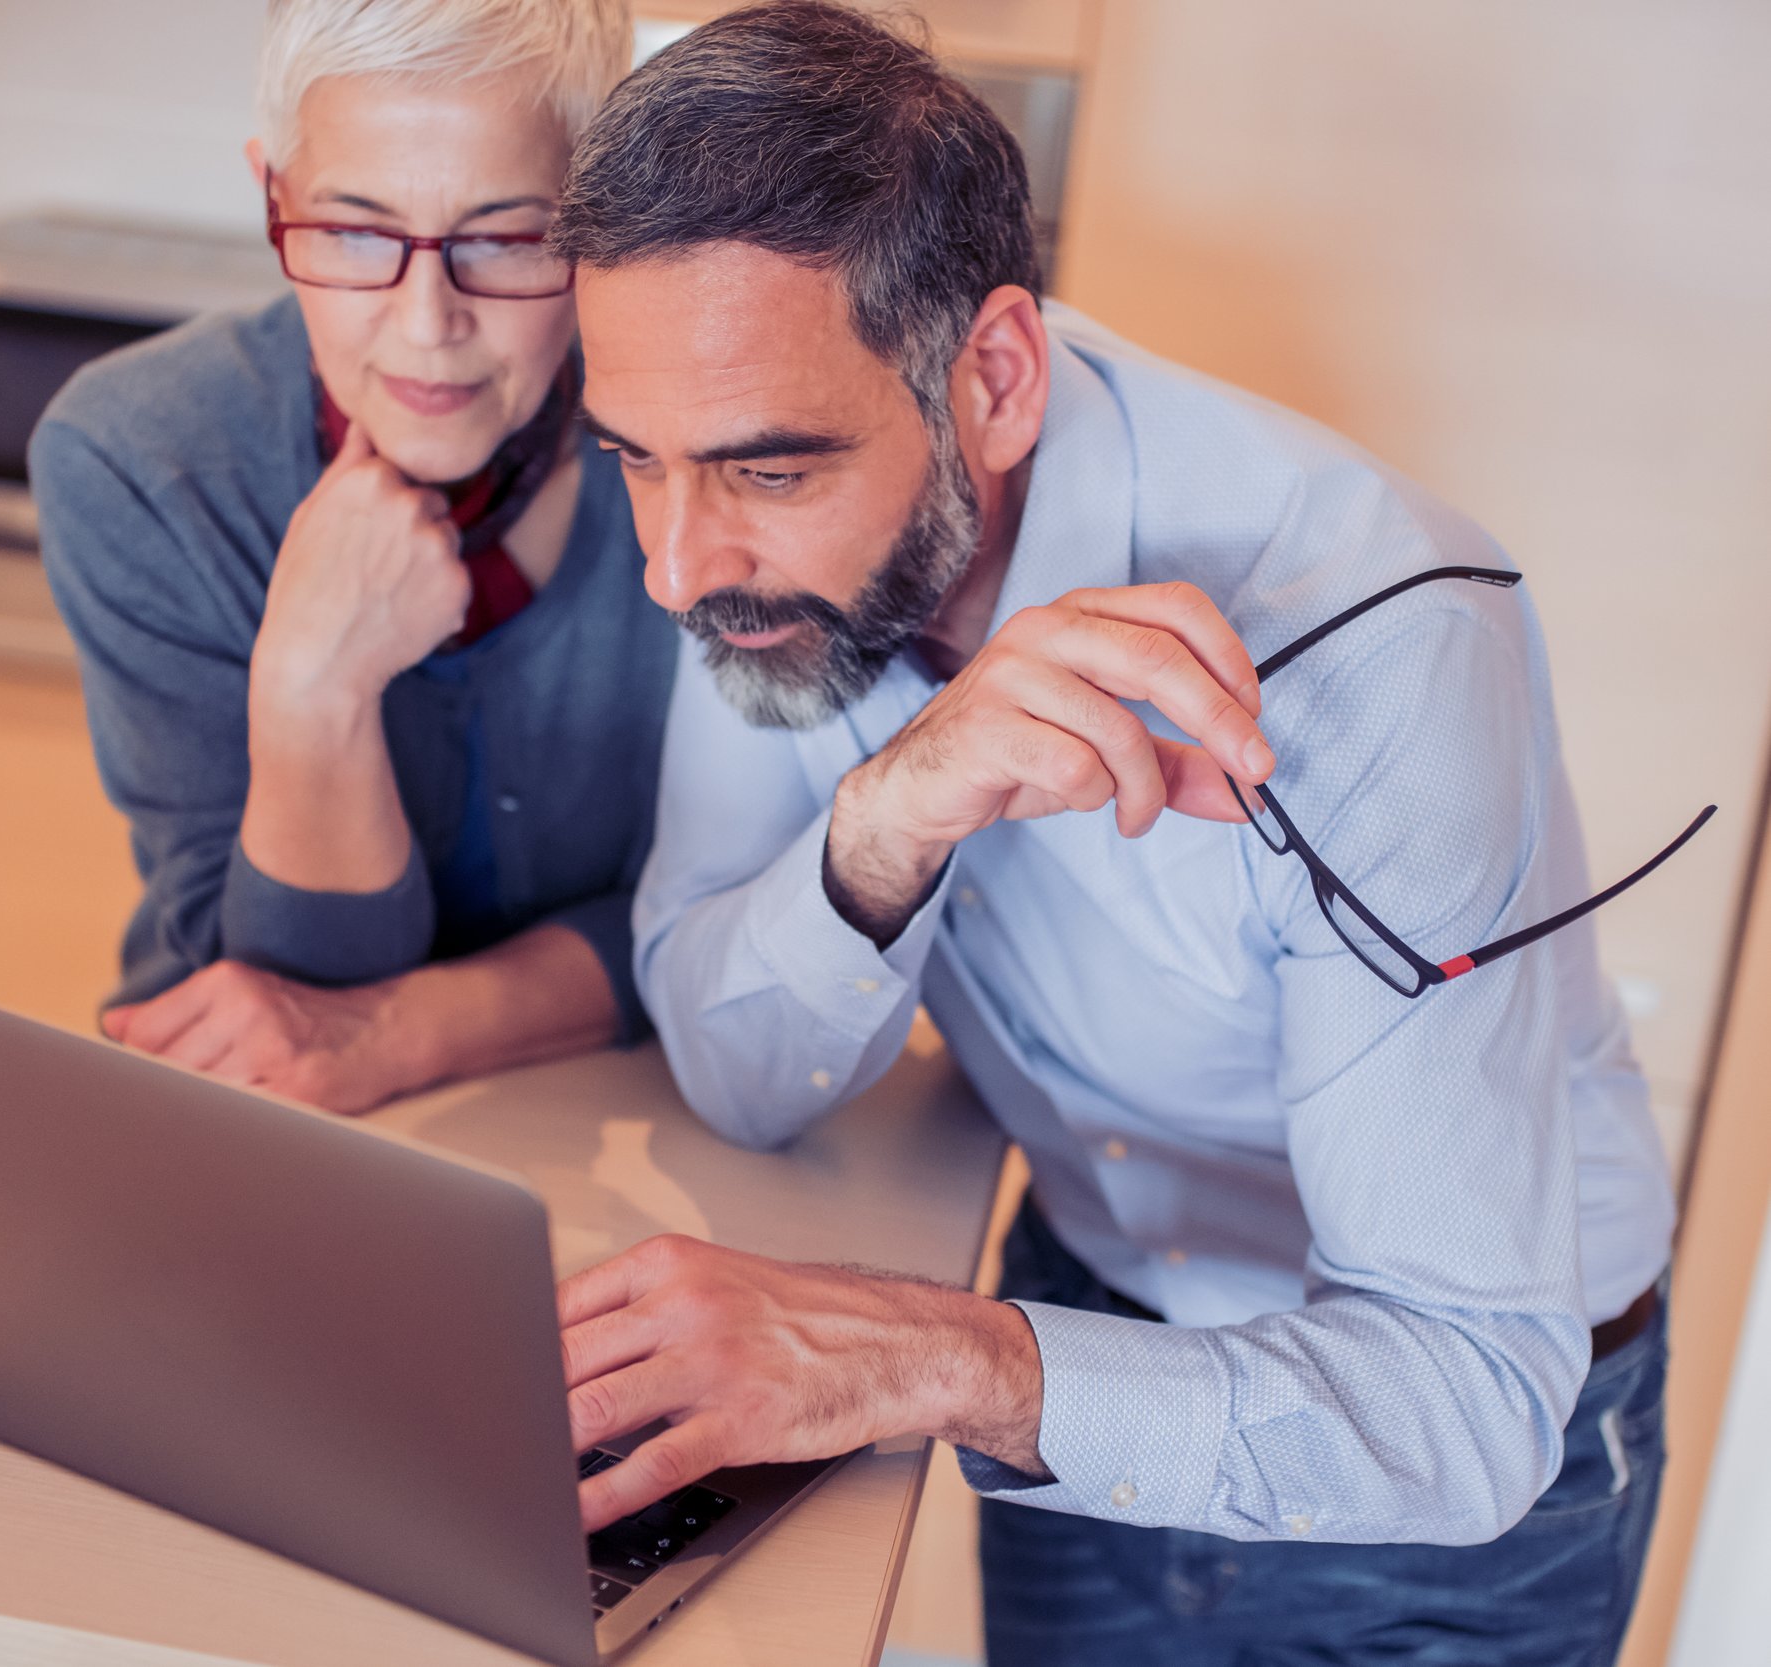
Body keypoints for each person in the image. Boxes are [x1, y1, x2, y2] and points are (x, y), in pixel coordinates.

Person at [543, 6, 1691, 1662]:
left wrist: (922, 1355)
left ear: (992, 378)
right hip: (1082, 1314)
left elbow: (1463, 1404)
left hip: (1458, 1486)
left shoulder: (1376, 640)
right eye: (634, 459)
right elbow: (732, 1065)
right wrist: (886, 819)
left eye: (766, 472)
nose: (673, 564)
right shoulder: (742, 538)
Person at [33, 0, 674, 1115]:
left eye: (509, 238)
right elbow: (266, 999)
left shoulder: (695, 451)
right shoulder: (139, 454)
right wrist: (311, 686)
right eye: (354, 231)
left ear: (600, 221)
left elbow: (726, 912)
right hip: (258, 1129)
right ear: (272, 198)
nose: (426, 325)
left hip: (634, 1125)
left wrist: (409, 1029)